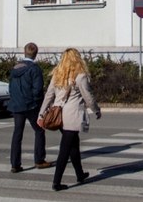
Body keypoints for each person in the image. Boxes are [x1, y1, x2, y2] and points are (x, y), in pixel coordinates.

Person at [38, 47, 101, 191]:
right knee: (65, 150)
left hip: (59, 115)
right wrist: (97, 110)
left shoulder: (57, 75)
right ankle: (56, 182)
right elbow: (88, 97)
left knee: (74, 145)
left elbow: (49, 95)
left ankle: (79, 174)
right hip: (72, 117)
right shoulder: (80, 76)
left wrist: (41, 114)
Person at [8, 42, 50, 173]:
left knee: (17, 134)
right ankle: (39, 160)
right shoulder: (34, 69)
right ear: (36, 54)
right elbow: (38, 89)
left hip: (16, 105)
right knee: (39, 130)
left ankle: (15, 164)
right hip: (31, 105)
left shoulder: (15, 68)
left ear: (24, 52)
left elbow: (10, 87)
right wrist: (39, 104)